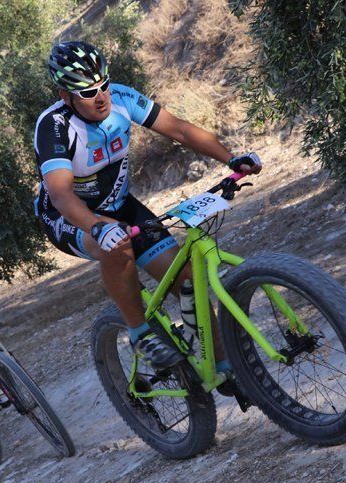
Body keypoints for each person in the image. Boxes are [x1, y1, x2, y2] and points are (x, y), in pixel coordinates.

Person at [34, 41, 262, 374]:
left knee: (186, 281)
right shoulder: (54, 126)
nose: (101, 97)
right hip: (67, 216)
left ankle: (226, 368)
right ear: (64, 96)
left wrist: (232, 158)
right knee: (114, 245)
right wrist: (98, 226)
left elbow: (180, 129)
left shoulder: (123, 98)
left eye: (104, 85)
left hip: (120, 205)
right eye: (87, 92)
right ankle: (140, 334)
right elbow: (61, 195)